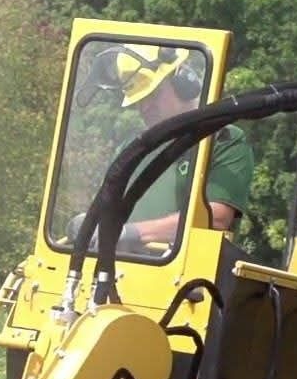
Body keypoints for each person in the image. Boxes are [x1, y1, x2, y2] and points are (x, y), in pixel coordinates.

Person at [68, 44, 255, 251]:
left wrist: (130, 233)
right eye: (139, 100)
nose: (145, 107)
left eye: (153, 95)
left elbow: (217, 217)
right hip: (119, 269)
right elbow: (108, 203)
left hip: (184, 276)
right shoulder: (132, 148)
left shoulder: (222, 140)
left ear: (183, 83)